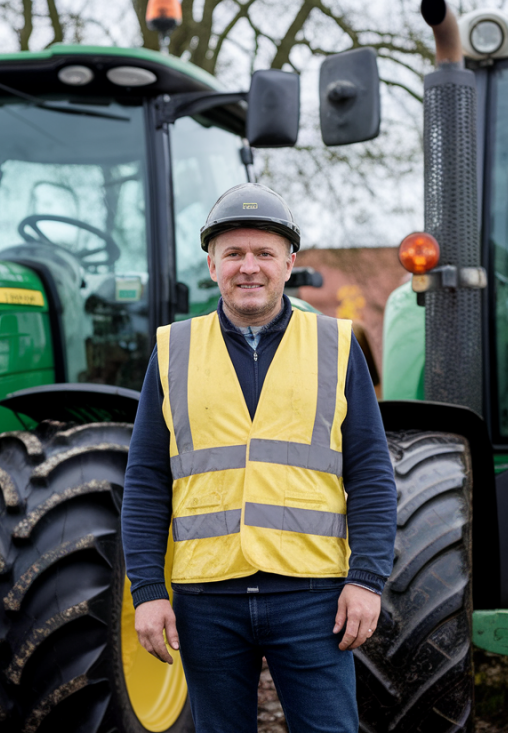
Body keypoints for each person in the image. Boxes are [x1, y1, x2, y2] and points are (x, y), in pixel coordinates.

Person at [121, 183, 397, 733]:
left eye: (264, 253)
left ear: (289, 263)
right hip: (207, 599)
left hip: (312, 597)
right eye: (234, 254)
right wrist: (148, 592)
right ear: (212, 263)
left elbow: (370, 474)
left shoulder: (337, 346)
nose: (249, 267)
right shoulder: (173, 349)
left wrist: (366, 579)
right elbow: (147, 480)